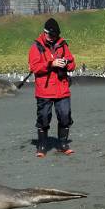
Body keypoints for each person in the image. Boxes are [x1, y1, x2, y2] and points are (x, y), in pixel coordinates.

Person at [28, 17, 76, 156]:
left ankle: (62, 143)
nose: (52, 38)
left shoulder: (63, 45)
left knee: (65, 116)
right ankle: (42, 145)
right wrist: (51, 64)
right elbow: (34, 67)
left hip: (62, 88)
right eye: (50, 35)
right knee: (43, 117)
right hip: (45, 89)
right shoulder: (36, 46)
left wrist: (66, 63)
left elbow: (73, 64)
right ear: (45, 32)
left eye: (55, 35)